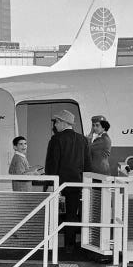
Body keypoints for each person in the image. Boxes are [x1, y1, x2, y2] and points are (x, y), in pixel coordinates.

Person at [45, 109, 91, 254]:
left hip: (59, 184)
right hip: (76, 184)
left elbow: (52, 164)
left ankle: (51, 245)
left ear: (64, 123)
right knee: (72, 215)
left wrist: (49, 184)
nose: (55, 125)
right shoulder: (83, 140)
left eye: (56, 122)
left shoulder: (56, 139)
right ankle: (69, 247)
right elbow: (87, 165)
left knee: (53, 214)